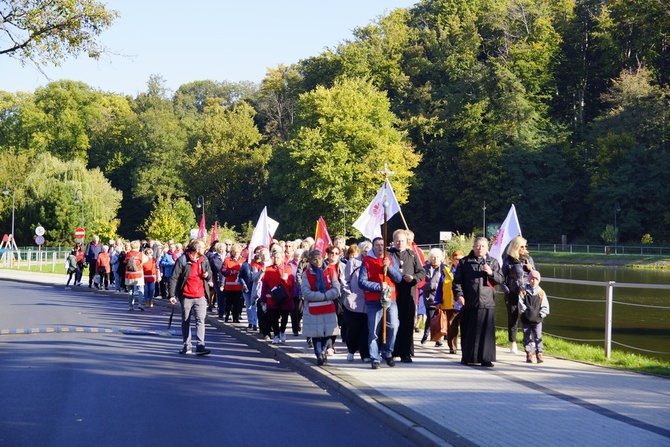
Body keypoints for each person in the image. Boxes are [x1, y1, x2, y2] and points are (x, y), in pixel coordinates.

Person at [453, 237, 504, 367]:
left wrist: (491, 273)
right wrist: (459, 295)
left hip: (487, 302)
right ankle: (467, 357)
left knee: (486, 333)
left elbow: (501, 279)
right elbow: (457, 282)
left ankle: (486, 358)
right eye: (477, 246)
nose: (480, 248)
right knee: (468, 331)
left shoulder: (493, 262)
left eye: (482, 246)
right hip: (469, 302)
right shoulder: (464, 262)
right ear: (473, 247)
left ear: (487, 248)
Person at [359, 236, 403, 369]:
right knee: (373, 330)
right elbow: (362, 282)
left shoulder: (389, 259)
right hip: (373, 300)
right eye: (377, 245)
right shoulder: (367, 261)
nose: (380, 247)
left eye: (382, 245)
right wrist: (378, 286)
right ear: (373, 246)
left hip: (390, 299)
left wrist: (388, 267)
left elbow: (398, 278)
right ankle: (374, 357)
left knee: (393, 325)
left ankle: (387, 352)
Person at [169, 239, 213, 356]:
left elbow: (210, 272)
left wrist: (208, 275)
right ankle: (187, 345)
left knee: (200, 320)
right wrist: (172, 295)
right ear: (197, 249)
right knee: (186, 320)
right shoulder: (182, 260)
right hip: (186, 296)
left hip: (200, 296)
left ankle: (200, 345)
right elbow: (174, 278)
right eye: (203, 247)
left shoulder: (205, 260)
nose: (205, 249)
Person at [389, 229, 426, 363]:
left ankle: (406, 352)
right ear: (393, 241)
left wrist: (413, 278)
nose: (400, 243)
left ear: (406, 241)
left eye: (402, 241)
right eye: (397, 241)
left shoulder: (412, 255)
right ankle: (391, 350)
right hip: (393, 294)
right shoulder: (388, 255)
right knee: (392, 324)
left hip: (409, 293)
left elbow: (422, 272)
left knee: (407, 323)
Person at [301, 249, 340, 365]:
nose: (317, 261)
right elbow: (306, 292)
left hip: (328, 307)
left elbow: (336, 288)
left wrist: (327, 295)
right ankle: (319, 354)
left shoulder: (330, 271)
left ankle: (323, 351)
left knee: (327, 333)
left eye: (319, 258)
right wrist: (321, 296)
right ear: (310, 261)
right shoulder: (306, 274)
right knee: (316, 334)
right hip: (314, 308)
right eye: (314, 259)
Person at [502, 236, 536, 354]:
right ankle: (513, 342)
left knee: (528, 317)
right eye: (522, 246)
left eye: (525, 246)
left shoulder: (528, 259)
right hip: (512, 293)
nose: (524, 248)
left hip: (526, 293)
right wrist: (507, 291)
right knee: (513, 318)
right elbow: (501, 278)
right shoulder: (508, 261)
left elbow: (535, 275)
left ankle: (529, 342)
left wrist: (531, 269)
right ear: (516, 247)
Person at [341, 244, 370, 362]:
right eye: (365, 251)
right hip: (354, 301)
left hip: (368, 302)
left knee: (366, 329)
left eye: (369, 251)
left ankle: (365, 354)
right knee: (353, 328)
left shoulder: (372, 263)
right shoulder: (353, 262)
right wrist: (349, 294)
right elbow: (345, 280)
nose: (367, 253)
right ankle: (351, 350)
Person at [260, 248, 295, 344]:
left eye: (278, 257)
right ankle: (276, 334)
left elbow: (293, 283)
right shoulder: (269, 269)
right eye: (274, 257)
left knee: (284, 316)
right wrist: (263, 298)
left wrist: (291, 294)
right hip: (272, 297)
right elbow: (265, 285)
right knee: (274, 317)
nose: (276, 259)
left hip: (285, 297)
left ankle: (282, 331)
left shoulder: (288, 268)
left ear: (282, 258)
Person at [435, 250, 464, 353]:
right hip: (449, 303)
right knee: (452, 327)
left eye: (460, 259)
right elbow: (440, 287)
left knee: (465, 326)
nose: (458, 261)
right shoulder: (446, 271)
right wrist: (438, 301)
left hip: (463, 303)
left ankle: (465, 347)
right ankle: (453, 347)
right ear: (452, 259)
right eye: (456, 259)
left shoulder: (465, 270)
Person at [519, 269, 550, 363]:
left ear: (539, 280)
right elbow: (520, 304)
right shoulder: (523, 292)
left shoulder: (541, 293)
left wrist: (542, 314)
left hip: (537, 319)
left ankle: (539, 353)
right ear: (529, 280)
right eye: (532, 279)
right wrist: (524, 312)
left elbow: (545, 306)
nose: (534, 281)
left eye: (536, 279)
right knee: (527, 337)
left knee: (538, 336)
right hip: (526, 318)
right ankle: (529, 353)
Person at [420, 248, 444, 345]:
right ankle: (426, 335)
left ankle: (438, 338)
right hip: (429, 298)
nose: (435, 259)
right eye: (433, 257)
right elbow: (421, 284)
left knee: (439, 317)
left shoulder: (444, 268)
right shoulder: (425, 268)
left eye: (437, 257)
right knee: (430, 317)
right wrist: (432, 285)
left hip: (441, 297)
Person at [222, 243, 245, 323]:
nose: (236, 253)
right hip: (229, 285)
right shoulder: (227, 260)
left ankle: (236, 317)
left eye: (238, 252)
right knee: (228, 302)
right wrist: (232, 271)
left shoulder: (243, 260)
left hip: (239, 286)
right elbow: (223, 271)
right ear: (231, 252)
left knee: (237, 303)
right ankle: (227, 315)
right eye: (234, 252)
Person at [125, 240, 148, 310]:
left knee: (130, 290)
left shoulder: (128, 254)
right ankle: (140, 303)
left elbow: (126, 261)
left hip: (129, 274)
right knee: (140, 288)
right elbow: (146, 260)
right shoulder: (140, 254)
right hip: (138, 273)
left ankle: (130, 305)